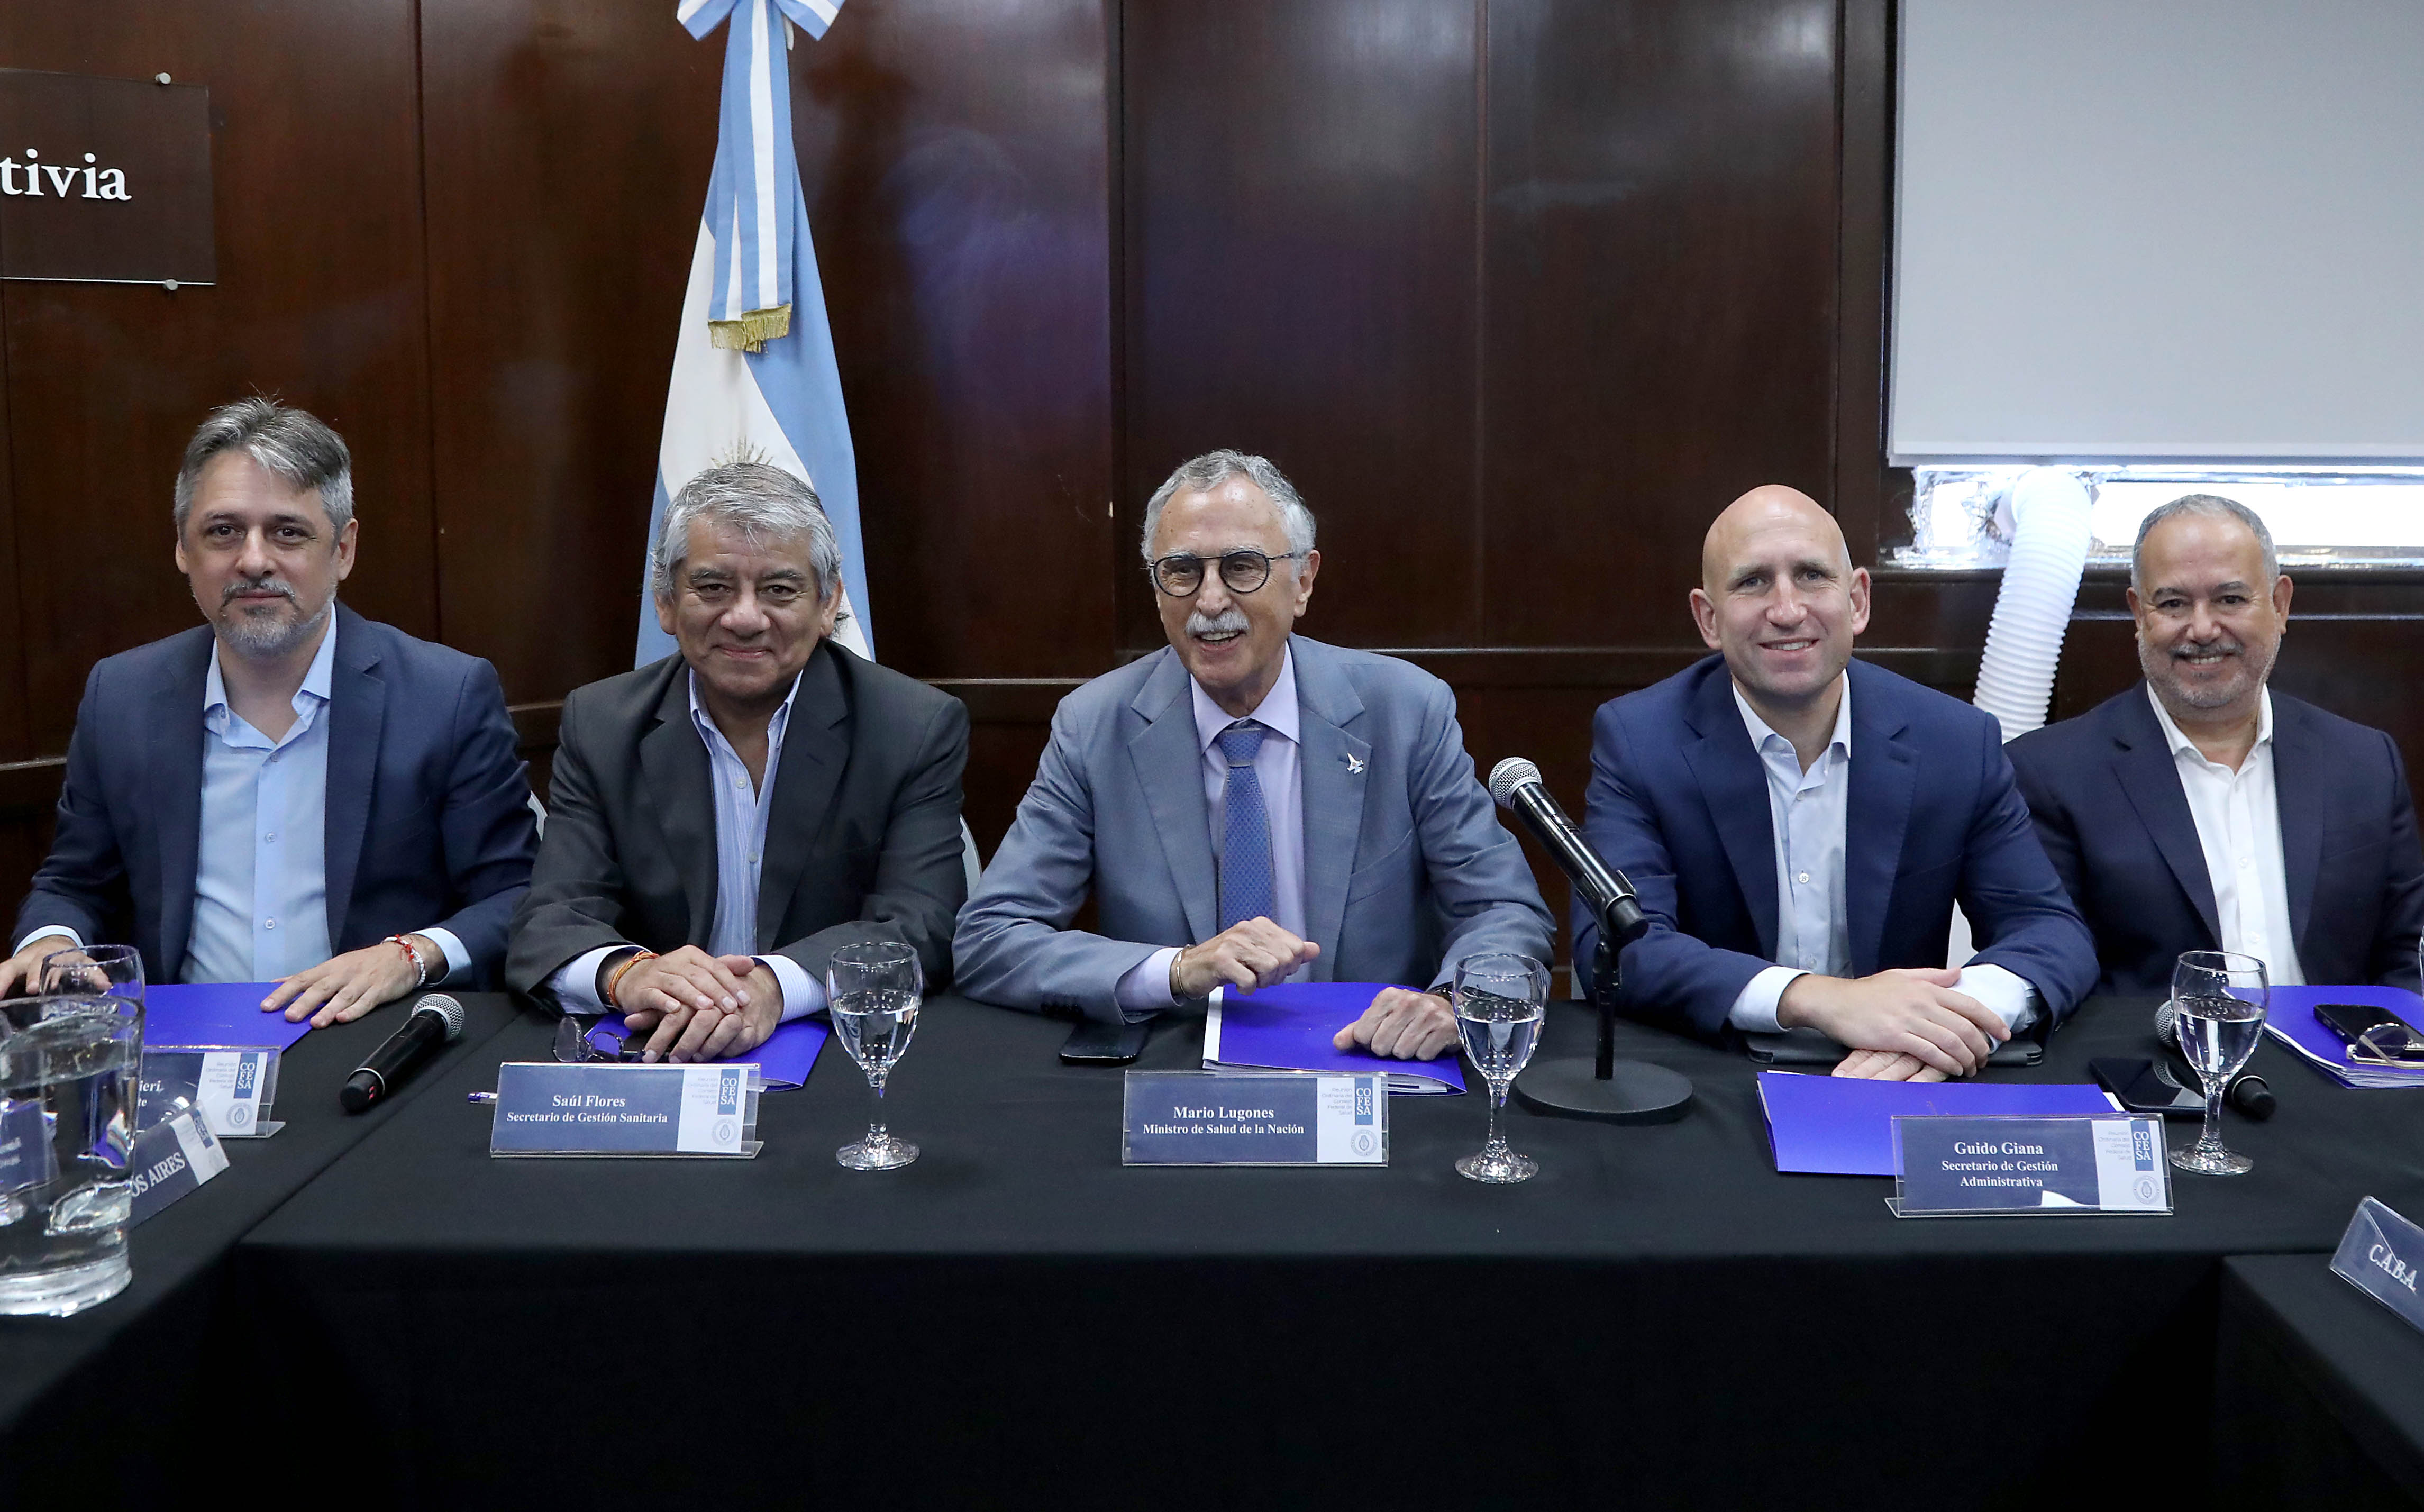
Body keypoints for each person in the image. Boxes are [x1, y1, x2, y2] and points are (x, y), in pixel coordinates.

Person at [954, 449, 1553, 1061]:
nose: (1211, 601)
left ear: (1304, 580)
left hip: (1371, 1063)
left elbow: (1502, 907)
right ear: (1157, 589)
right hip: (1173, 1072)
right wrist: (1177, 969)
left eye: (1242, 567)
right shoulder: (1095, 726)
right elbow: (991, 937)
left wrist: (1456, 1001)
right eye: (1182, 571)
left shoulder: (1404, 712)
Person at [3, 398, 537, 1023]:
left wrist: (409, 955)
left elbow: (517, 895)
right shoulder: (121, 696)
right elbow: (73, 882)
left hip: (371, 1040)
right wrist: (51, 941)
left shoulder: (445, 695)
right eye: (223, 531)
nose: (254, 560)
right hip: (185, 1041)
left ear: (343, 548)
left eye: (288, 532)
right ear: (183, 548)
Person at [1576, 484, 2097, 1081]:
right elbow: (1619, 947)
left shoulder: (1954, 742)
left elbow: (2050, 931)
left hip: (1900, 1075)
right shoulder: (1641, 741)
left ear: (1857, 600)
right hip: (1715, 1072)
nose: (1787, 609)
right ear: (1709, 619)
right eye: (1753, 582)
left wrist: (1943, 1021)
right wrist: (1822, 999)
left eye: (1811, 576)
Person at [507, 462, 968, 1062]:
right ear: (665, 603)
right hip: (655, 1047)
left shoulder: (911, 726)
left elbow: (921, 922)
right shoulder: (602, 724)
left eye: (779, 590)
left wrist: (774, 986)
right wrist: (629, 974)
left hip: (839, 1053)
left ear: (828, 603)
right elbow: (551, 918)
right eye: (713, 587)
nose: (745, 618)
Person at [2008, 494, 2424, 994]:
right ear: (2139, 614)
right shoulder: (2048, 774)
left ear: (2280, 605)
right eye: (2173, 604)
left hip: (2336, 1044)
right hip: (2153, 1045)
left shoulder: (2365, 763)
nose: (2202, 629)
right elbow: (2050, 968)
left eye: (2230, 599)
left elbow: (2407, 955)